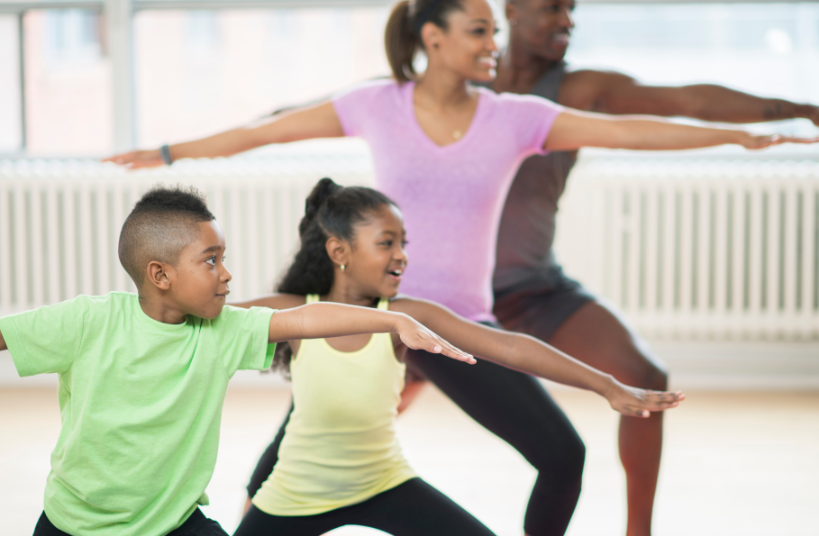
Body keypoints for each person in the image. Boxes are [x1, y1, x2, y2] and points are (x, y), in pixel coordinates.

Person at [104, 1, 817, 534]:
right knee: (296, 456)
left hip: (449, 323)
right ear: (432, 38)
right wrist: (169, 153)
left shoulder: (515, 116)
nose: (492, 44)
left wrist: (740, 136)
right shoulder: (375, 104)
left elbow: (630, 130)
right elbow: (268, 129)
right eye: (478, 30)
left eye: (493, 32)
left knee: (556, 457)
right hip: (374, 316)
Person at [482, 2, 819, 534]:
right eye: (552, 8)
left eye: (572, 10)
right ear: (513, 9)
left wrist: (801, 106)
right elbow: (346, 104)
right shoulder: (457, 85)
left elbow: (685, 100)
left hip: (533, 289)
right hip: (447, 298)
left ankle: (639, 530)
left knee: (643, 379)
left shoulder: (575, 92)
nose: (566, 20)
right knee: (363, 394)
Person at [0, 185, 473, 536]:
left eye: (223, 258)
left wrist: (389, 322)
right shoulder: (88, 321)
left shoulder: (221, 330)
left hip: (174, 524)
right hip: (73, 525)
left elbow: (305, 318)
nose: (227, 275)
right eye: (210, 261)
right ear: (160, 273)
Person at [229, 178, 683, 536]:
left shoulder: (408, 316)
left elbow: (509, 347)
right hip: (295, 493)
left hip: (383, 484)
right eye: (387, 242)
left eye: (405, 243)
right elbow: (208, 321)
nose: (403, 256)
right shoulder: (293, 311)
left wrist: (606, 385)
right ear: (339, 251)